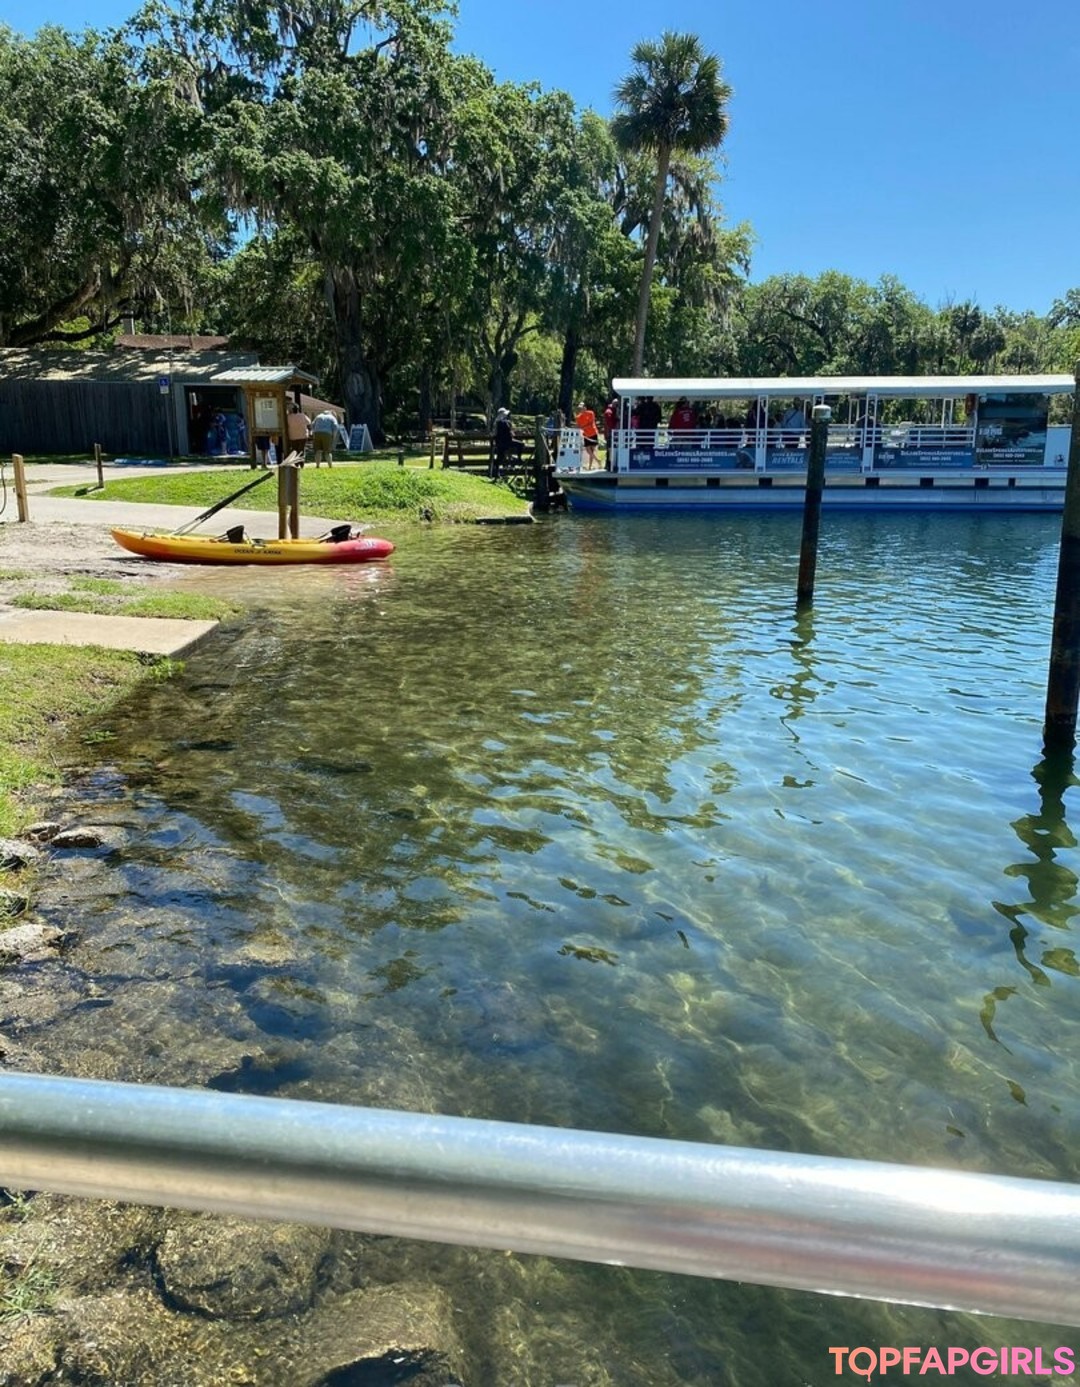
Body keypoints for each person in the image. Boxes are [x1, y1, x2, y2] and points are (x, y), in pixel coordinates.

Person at [493, 407, 516, 479]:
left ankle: (500, 470)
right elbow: (508, 432)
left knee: (501, 456)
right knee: (501, 456)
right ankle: (511, 463)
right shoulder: (501, 422)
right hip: (503, 442)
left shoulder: (499, 422)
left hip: (501, 442)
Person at [575, 400, 600, 469]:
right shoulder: (578, 417)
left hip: (593, 433)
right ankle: (598, 460)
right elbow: (578, 426)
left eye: (582, 408)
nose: (580, 409)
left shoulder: (591, 413)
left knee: (592, 450)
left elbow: (591, 423)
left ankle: (590, 466)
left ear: (585, 407)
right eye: (579, 408)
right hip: (586, 435)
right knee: (588, 450)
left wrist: (582, 427)